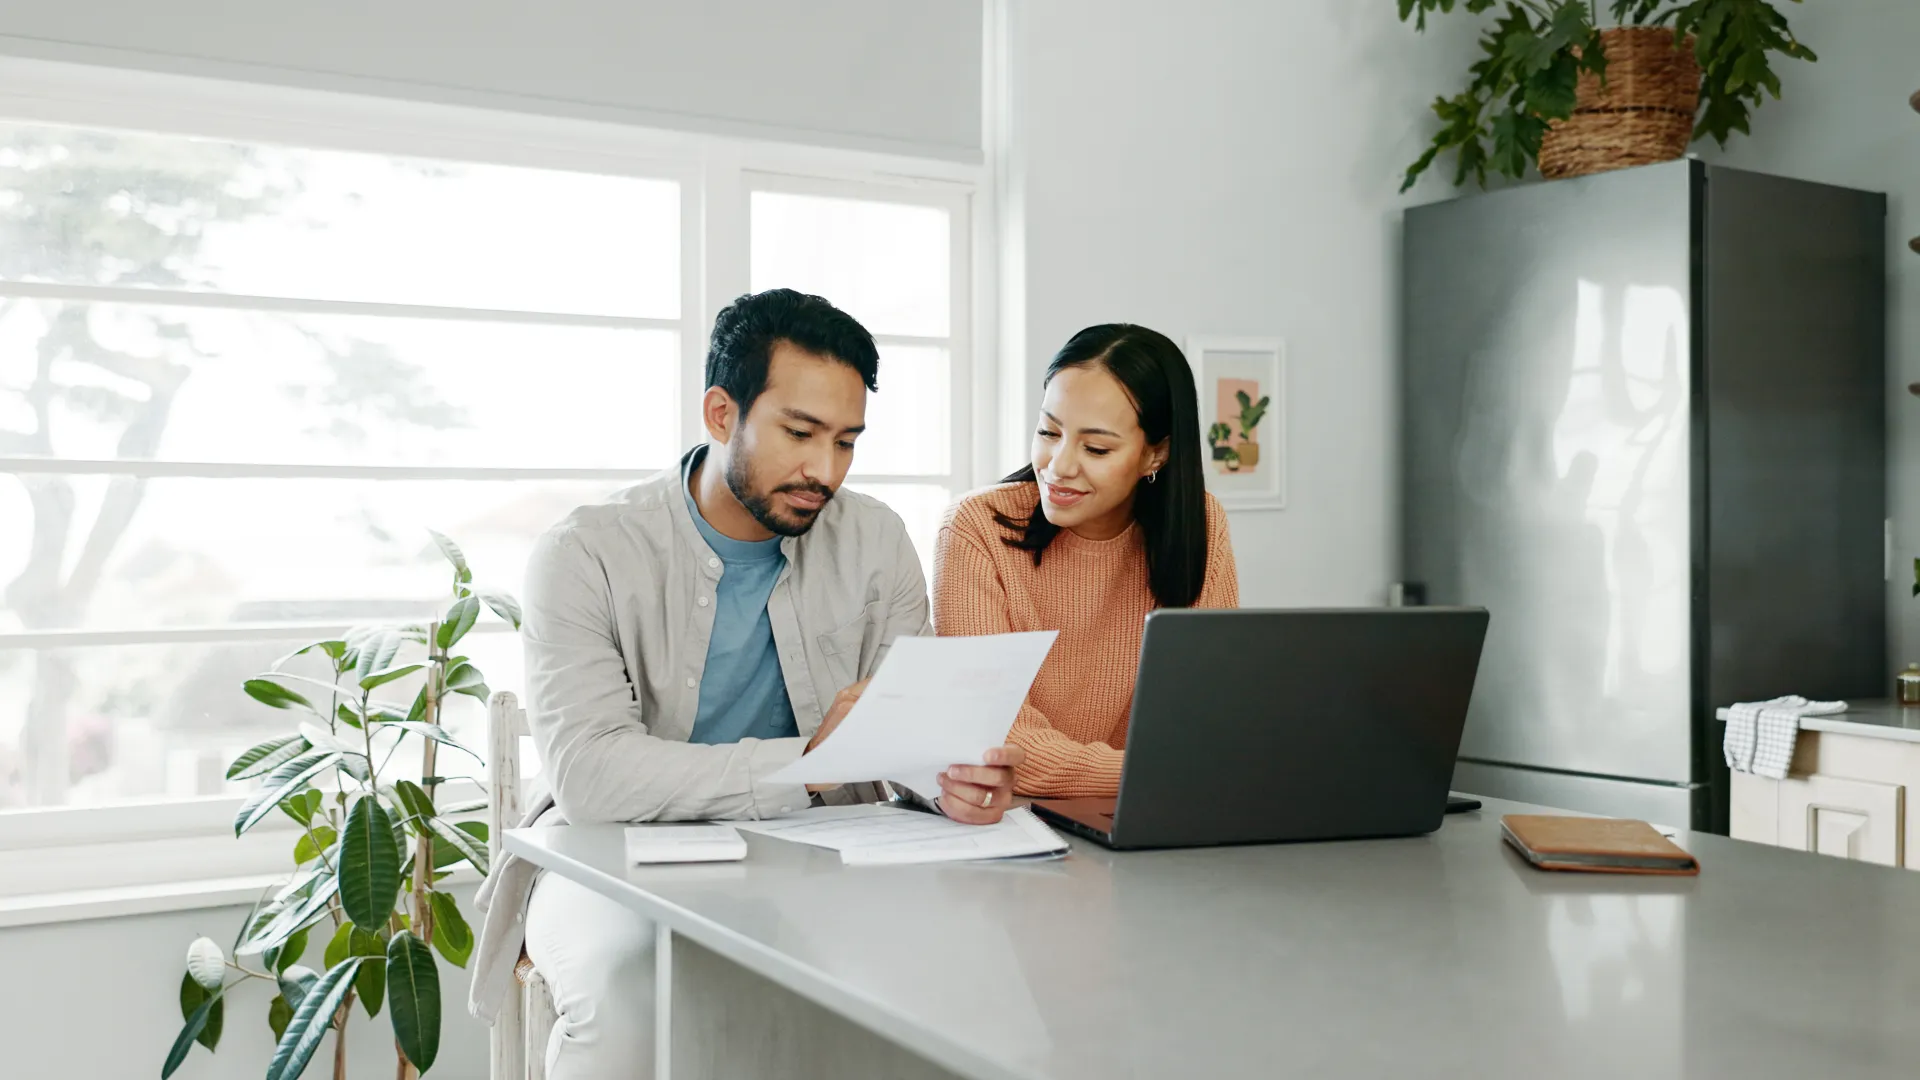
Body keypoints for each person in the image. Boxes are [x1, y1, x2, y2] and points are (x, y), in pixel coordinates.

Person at [469, 288, 1026, 1079]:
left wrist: (948, 783)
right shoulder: (585, 553)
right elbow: (592, 776)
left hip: (821, 848)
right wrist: (808, 764)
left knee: (956, 974)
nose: (823, 470)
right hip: (612, 851)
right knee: (629, 998)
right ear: (722, 413)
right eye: (800, 434)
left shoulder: (875, 540)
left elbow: (905, 735)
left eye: (846, 442)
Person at [932, 324, 1238, 798]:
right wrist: (1153, 772)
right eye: (1048, 432)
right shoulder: (976, 527)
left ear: (1155, 454)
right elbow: (995, 735)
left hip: (1157, 813)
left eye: (1096, 448)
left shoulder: (1201, 523)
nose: (1058, 465)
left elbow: (1209, 711)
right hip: (1016, 819)